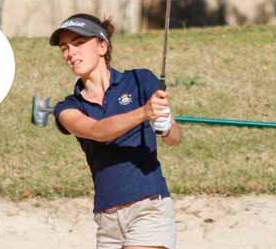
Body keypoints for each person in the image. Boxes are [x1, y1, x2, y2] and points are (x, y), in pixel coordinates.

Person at [50, 13, 181, 249]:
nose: (70, 53)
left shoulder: (140, 80)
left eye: (78, 43)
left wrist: (164, 125)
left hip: (149, 208)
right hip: (107, 222)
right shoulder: (67, 108)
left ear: (102, 46)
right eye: (64, 48)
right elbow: (98, 131)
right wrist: (144, 112)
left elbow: (175, 139)